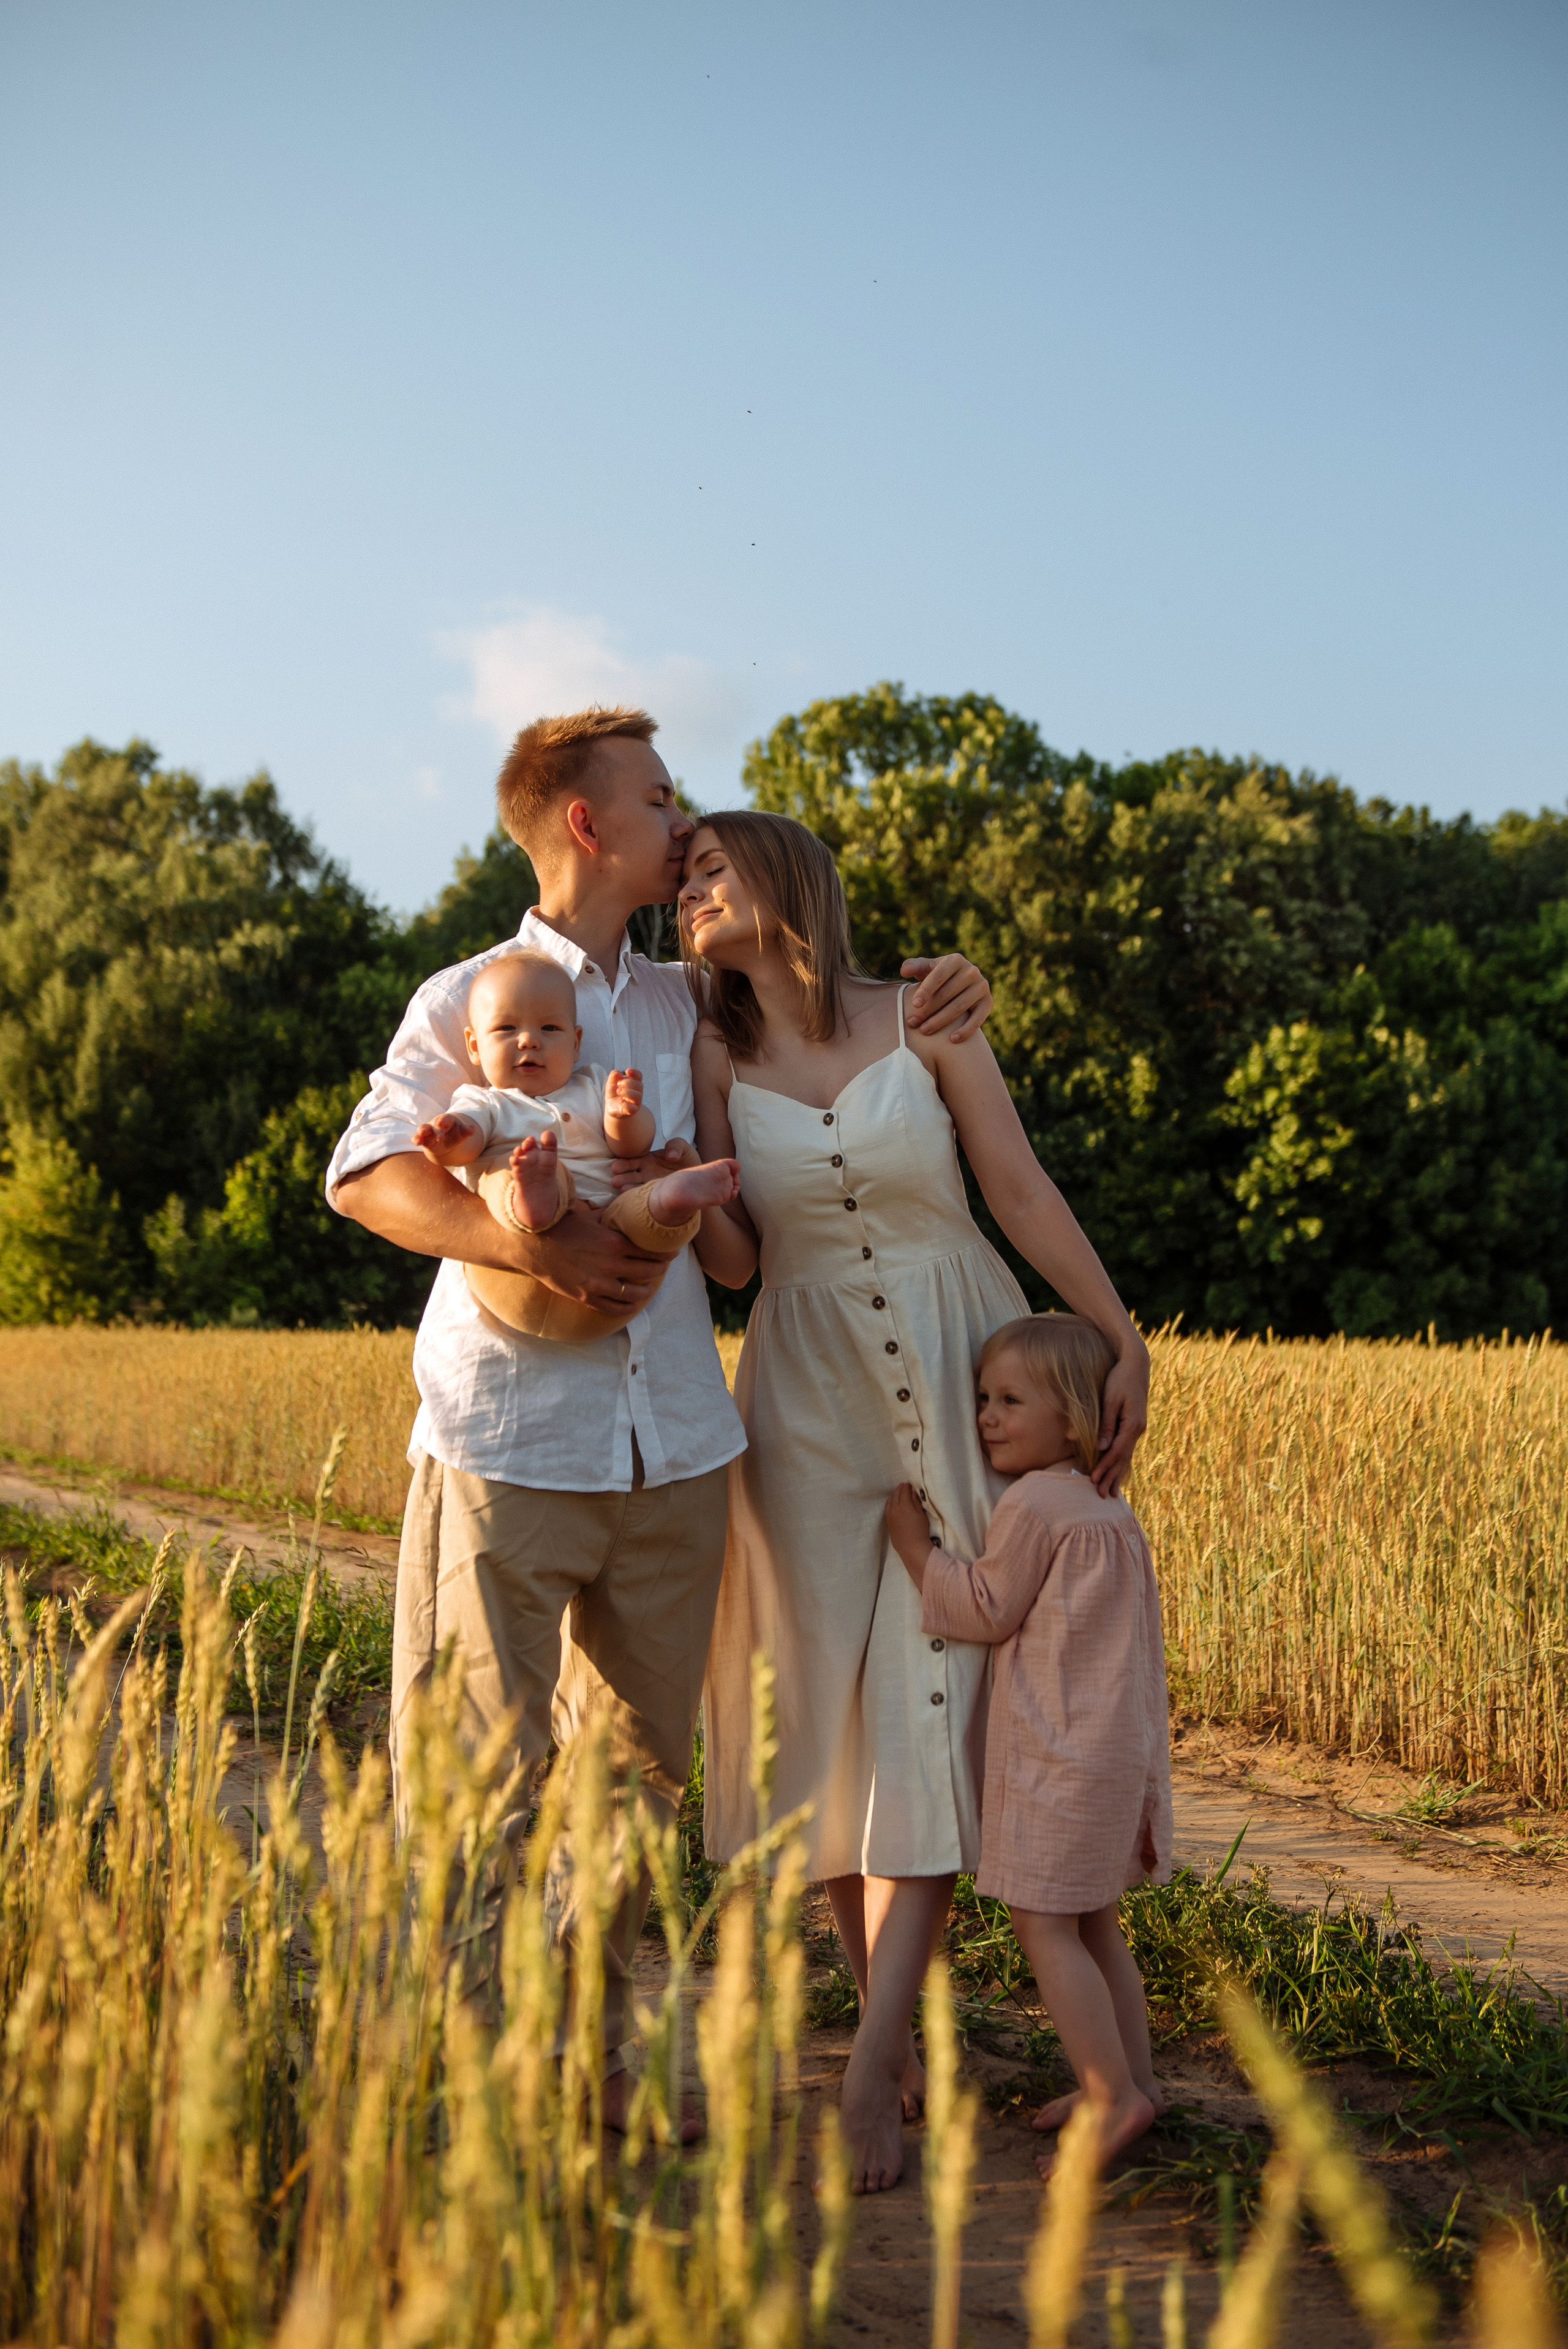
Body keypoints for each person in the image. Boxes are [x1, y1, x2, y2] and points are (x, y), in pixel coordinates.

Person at [326, 703, 996, 2128]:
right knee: (480, 1774)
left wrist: (943, 987)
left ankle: (594, 2060)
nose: (680, 818)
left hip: (680, 1445)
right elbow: (368, 1174)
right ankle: (465, 2075)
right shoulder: (473, 991)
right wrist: (526, 1245)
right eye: (656, 795)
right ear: (585, 822)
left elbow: (837, 1017)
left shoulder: (691, 1000)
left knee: (631, 1790)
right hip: (505, 1436)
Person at [677, 809, 1150, 2193]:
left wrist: (1115, 1331)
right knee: (822, 1713)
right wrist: (671, 1182)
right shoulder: (714, 1048)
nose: (693, 891)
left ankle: (874, 2062)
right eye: (683, 875)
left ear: (787, 880)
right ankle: (902, 2030)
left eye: (715, 866)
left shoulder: (925, 1010)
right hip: (803, 1394)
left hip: (958, 1365)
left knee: (941, 1708)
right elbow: (733, 1255)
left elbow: (1011, 1183)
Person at [886, 1312, 1172, 2180]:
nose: (986, 1417)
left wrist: (916, 1550)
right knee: (1096, 1924)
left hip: (1059, 1756)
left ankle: (1110, 2093)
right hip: (1114, 1752)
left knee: (1045, 1922)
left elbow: (986, 1607)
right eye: (982, 1398)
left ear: (1078, 1416)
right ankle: (1134, 2081)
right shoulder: (1107, 1508)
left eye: (1011, 1400)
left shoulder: (1036, 1503)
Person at [412, 947, 741, 1341]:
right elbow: (466, 1146)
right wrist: (447, 1139)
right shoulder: (485, 1101)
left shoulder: (592, 1086)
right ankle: (535, 1198)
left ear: (576, 1042)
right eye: (506, 1029)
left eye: (550, 1029)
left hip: (617, 1236)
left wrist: (624, 1115)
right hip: (529, 1270)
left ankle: (673, 1199)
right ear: (474, 1047)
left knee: (642, 1204)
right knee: (501, 1176)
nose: (529, 1041)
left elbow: (632, 1150)